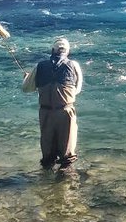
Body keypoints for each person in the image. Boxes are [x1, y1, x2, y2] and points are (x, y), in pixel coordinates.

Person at [22, 37, 83, 169]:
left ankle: (45, 184)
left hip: (46, 113)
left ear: (52, 50)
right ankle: (64, 186)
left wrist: (28, 78)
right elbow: (76, 90)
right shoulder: (74, 65)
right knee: (67, 156)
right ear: (68, 52)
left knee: (47, 157)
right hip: (65, 112)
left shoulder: (39, 66)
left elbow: (26, 89)